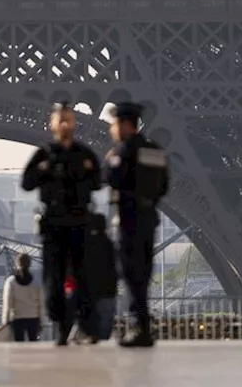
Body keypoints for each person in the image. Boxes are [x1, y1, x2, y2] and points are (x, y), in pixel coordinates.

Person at [20, 102, 102, 345]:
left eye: (69, 119)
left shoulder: (84, 153)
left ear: (74, 123)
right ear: (52, 124)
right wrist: (45, 170)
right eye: (61, 120)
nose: (65, 124)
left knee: (83, 278)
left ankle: (83, 326)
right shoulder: (45, 154)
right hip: (55, 224)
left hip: (78, 221)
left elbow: (98, 181)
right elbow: (26, 182)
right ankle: (62, 324)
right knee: (53, 281)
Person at [104, 101, 169, 348]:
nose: (112, 130)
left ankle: (138, 326)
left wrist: (111, 161)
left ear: (124, 125)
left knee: (130, 274)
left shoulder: (122, 151)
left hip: (128, 219)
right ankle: (143, 326)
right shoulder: (154, 150)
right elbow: (164, 186)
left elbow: (112, 178)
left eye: (114, 125)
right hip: (148, 218)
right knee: (143, 273)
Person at [84, 213, 120, 342]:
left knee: (92, 321)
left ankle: (92, 339)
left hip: (91, 291)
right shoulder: (110, 245)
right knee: (105, 323)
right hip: (108, 291)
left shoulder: (87, 245)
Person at [1, 253, 44, 342]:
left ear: (17, 264)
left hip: (17, 318)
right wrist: (42, 321)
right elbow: (41, 304)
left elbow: (7, 304)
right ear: (30, 264)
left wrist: (5, 321)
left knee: (18, 345)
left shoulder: (11, 282)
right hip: (33, 318)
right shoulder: (37, 282)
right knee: (33, 344)